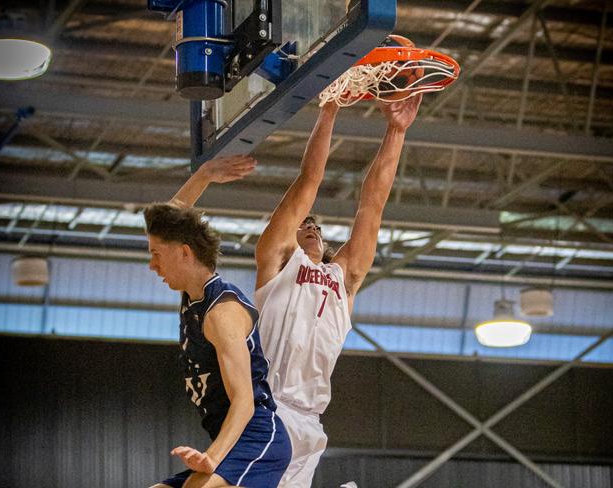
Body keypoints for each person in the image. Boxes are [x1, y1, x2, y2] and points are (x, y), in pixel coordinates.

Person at [254, 94, 422, 487]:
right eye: (303, 225)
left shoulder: (343, 279)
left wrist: (396, 131)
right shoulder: (278, 261)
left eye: (316, 226)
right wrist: (329, 108)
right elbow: (309, 180)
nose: (311, 227)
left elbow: (372, 206)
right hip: (267, 408)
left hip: (310, 420)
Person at [145, 155, 291, 488]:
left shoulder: (221, 313)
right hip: (231, 441)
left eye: (155, 254)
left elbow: (244, 403)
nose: (152, 264)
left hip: (257, 438)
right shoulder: (194, 294)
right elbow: (170, 220)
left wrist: (212, 457)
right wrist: (204, 175)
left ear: (184, 253)